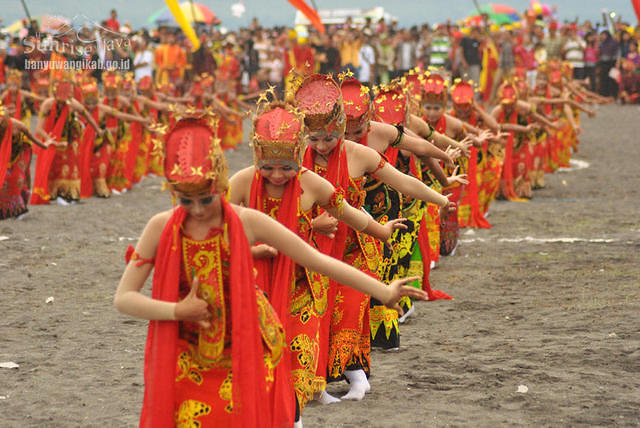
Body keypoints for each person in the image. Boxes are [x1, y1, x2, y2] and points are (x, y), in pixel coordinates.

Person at [114, 112, 427, 427]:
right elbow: (124, 298)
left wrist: (383, 290)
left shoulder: (244, 221)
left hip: (245, 349)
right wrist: (178, 310)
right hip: (184, 354)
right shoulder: (160, 227)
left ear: (219, 183)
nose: (197, 210)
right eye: (185, 200)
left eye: (206, 198)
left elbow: (317, 260)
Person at [229, 99, 406, 422]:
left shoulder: (312, 182)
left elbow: (350, 216)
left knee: (299, 355)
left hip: (304, 283)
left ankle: (298, 412)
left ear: (298, 154)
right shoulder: (241, 183)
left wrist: (382, 233)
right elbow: (221, 235)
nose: (278, 175)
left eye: (287, 167)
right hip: (255, 288)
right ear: (257, 155)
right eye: (268, 167)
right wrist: (249, 251)